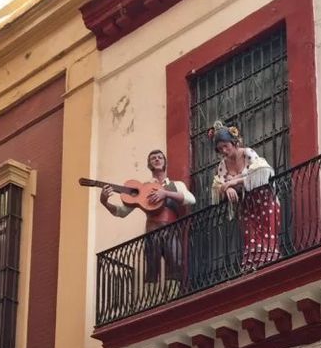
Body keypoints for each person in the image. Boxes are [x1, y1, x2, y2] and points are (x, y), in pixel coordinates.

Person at [99, 149, 195, 299]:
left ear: (165, 162)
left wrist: (166, 193)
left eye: (159, 157)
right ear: (149, 164)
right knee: (152, 266)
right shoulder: (142, 189)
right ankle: (152, 300)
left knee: (175, 263)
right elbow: (122, 212)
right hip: (152, 230)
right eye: (153, 158)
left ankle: (173, 297)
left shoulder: (177, 185)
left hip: (172, 229)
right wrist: (105, 202)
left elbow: (191, 199)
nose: (157, 159)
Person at [210, 121, 281, 270]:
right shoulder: (223, 165)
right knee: (252, 238)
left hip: (263, 199)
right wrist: (227, 189)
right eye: (220, 148)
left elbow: (260, 174)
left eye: (225, 146)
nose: (223, 150)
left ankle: (269, 261)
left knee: (267, 236)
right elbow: (219, 186)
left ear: (234, 142)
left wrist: (231, 182)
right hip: (246, 206)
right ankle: (252, 265)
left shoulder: (247, 153)